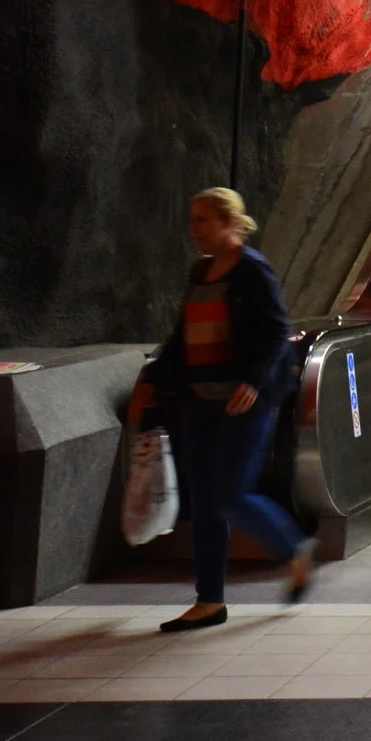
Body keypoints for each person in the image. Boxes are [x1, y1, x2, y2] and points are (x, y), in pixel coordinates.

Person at [137, 188, 314, 632]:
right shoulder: (202, 271)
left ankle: (293, 549)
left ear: (228, 223)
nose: (193, 229)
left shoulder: (252, 270)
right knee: (205, 500)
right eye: (192, 219)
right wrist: (153, 381)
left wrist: (253, 382)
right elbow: (183, 337)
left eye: (202, 220)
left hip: (243, 401)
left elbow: (278, 332)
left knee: (230, 493)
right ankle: (209, 600)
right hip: (201, 399)